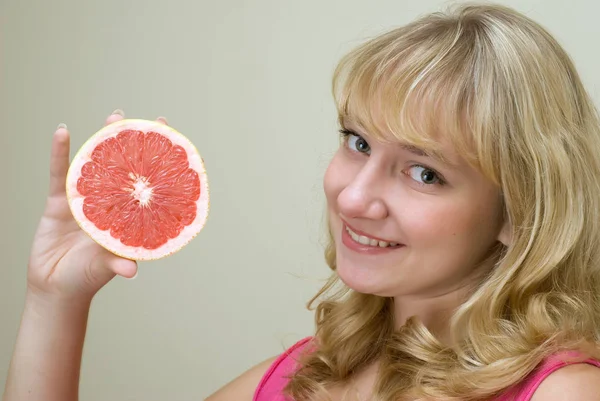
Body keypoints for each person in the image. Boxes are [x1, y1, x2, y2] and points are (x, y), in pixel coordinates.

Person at [4, 2, 600, 400]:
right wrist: (55, 301)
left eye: (423, 173)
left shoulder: (559, 392)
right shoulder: (297, 376)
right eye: (358, 142)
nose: (355, 193)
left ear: (519, 213)